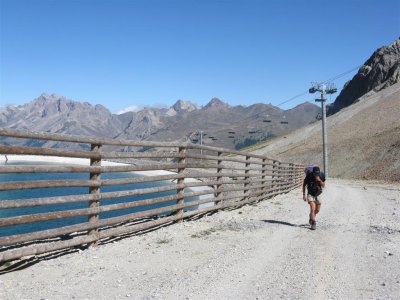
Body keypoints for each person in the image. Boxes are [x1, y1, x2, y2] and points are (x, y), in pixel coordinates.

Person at [302, 166, 325, 230]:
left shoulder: (322, 175)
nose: (316, 175)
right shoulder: (309, 176)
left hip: (318, 194)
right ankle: (313, 223)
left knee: (317, 210)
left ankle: (311, 218)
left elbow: (323, 185)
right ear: (313, 172)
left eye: (317, 174)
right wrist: (304, 194)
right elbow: (304, 184)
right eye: (315, 174)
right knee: (312, 208)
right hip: (310, 194)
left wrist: (319, 180)